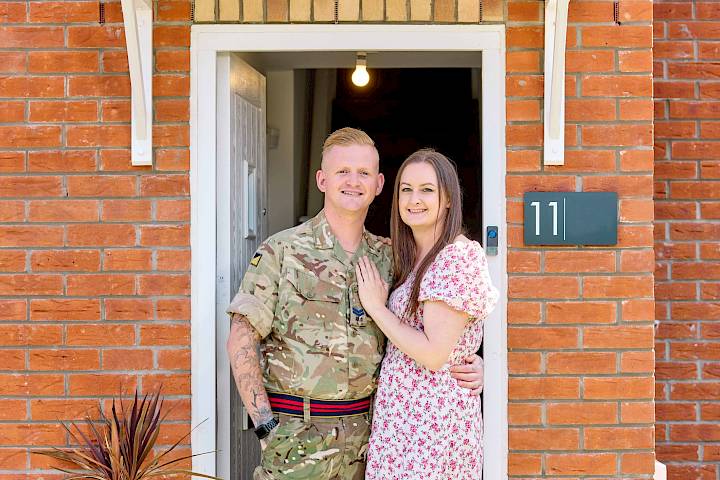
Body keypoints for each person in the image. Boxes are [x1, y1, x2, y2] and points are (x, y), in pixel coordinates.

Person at [226, 128, 486, 480]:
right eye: (342, 171)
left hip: (374, 443)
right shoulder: (282, 252)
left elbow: (433, 323)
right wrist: (265, 427)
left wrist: (471, 362)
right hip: (296, 440)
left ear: (379, 184)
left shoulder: (392, 257)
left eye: (364, 173)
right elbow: (240, 339)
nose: (353, 181)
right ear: (321, 179)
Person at [357, 148, 499, 480]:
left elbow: (435, 354)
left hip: (433, 430)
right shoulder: (410, 257)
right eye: (406, 189)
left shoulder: (455, 256)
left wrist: (377, 308)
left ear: (448, 198)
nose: (414, 199)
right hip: (403, 427)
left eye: (427, 190)